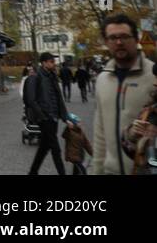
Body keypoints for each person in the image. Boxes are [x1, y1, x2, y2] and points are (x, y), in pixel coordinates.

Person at [90, 12, 157, 175]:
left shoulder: (153, 76)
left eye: (124, 37)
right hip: (110, 171)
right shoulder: (102, 79)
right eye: (112, 38)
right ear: (106, 42)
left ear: (136, 39)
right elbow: (100, 132)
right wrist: (96, 170)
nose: (119, 42)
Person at [25, 52, 76, 175]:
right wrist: (42, 116)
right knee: (55, 148)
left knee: (44, 146)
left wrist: (65, 118)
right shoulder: (35, 77)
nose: (54, 64)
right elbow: (31, 99)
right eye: (51, 62)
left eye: (54, 61)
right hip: (45, 118)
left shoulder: (52, 76)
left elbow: (59, 99)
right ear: (44, 63)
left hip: (54, 117)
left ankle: (33, 171)